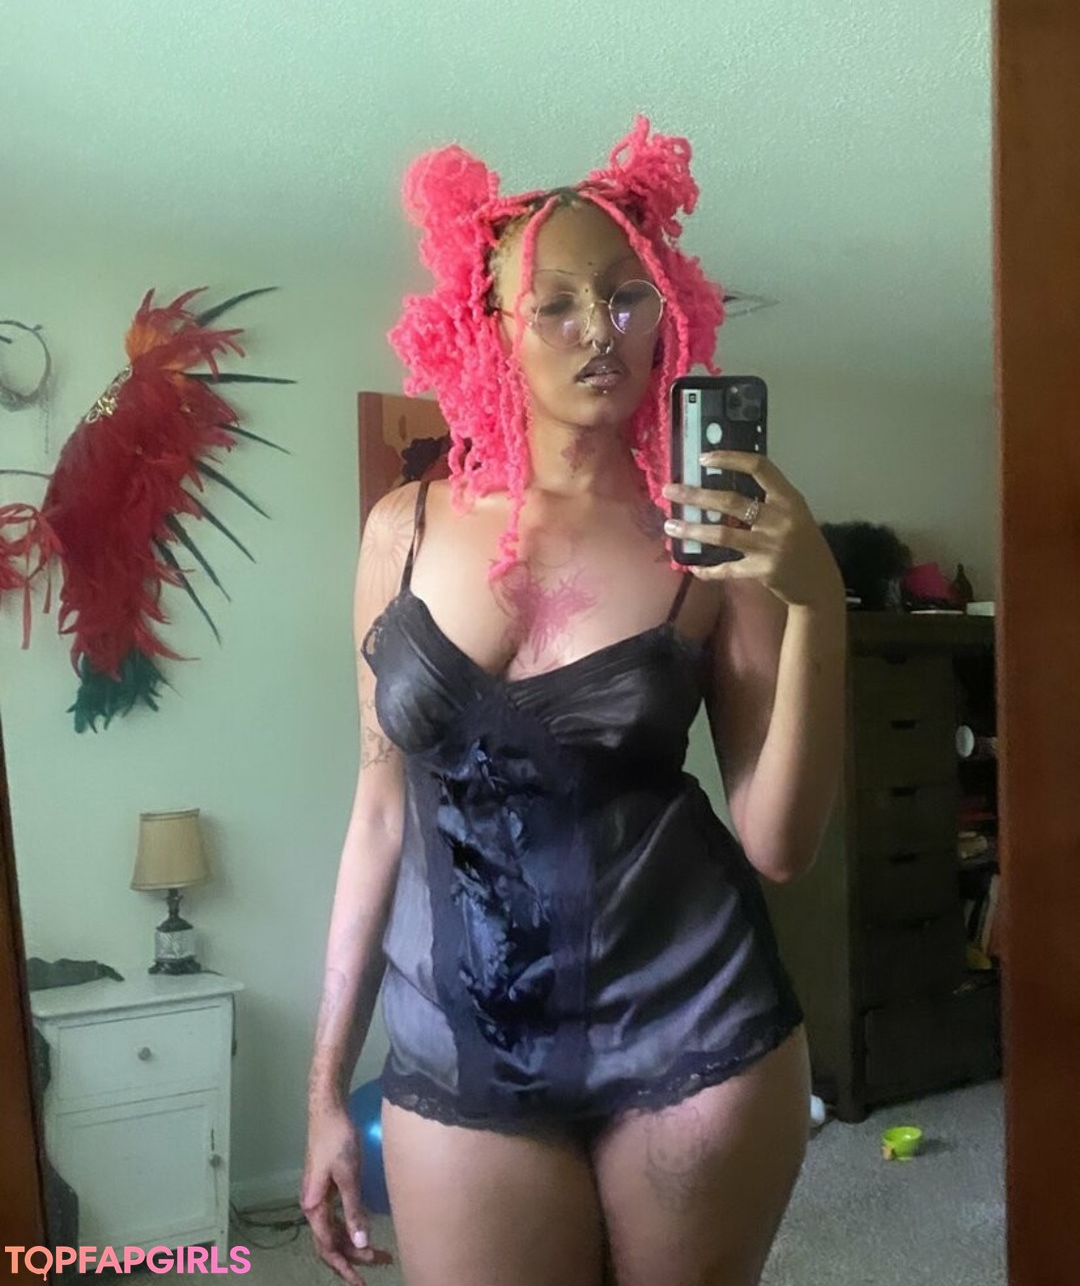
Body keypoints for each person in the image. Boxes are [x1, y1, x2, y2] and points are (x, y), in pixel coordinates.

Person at [301, 115, 847, 1286]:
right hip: (457, 1045)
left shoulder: (717, 541)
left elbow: (779, 843)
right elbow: (379, 814)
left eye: (626, 296)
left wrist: (818, 602)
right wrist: (323, 1092)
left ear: (668, 310)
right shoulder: (401, 532)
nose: (600, 328)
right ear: (490, 327)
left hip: (694, 1023)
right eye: (554, 303)